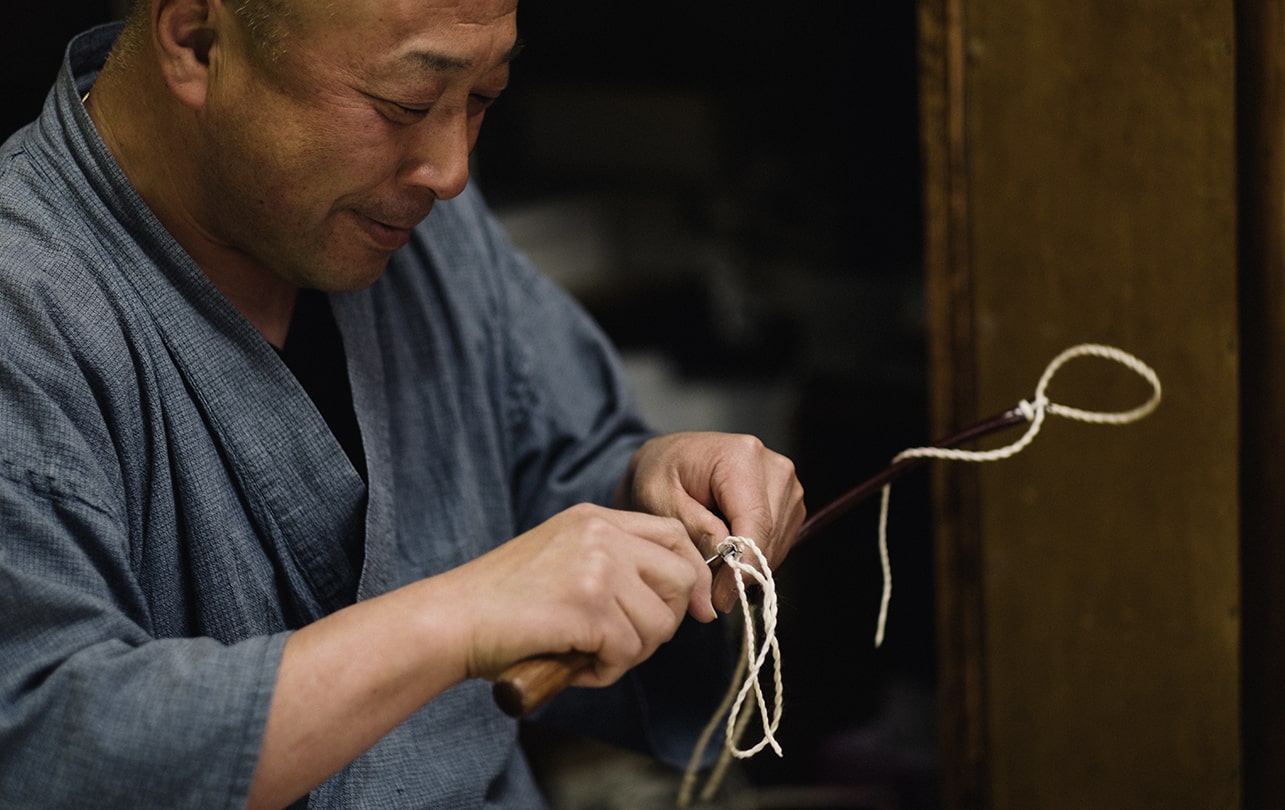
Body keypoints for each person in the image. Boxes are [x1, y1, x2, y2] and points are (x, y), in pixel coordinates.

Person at [0, 0, 806, 807]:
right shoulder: (27, 303)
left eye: (482, 98)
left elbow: (548, 474)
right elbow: (43, 737)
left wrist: (650, 488)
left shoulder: (403, 218)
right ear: (198, 41)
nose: (449, 170)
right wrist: (454, 618)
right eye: (406, 105)